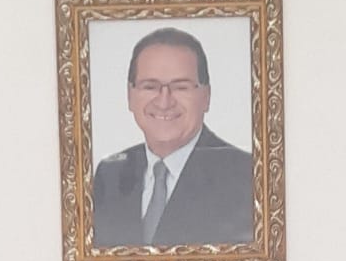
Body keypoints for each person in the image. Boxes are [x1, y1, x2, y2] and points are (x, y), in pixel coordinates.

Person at [92, 26, 254, 249]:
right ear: (130, 96)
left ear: (206, 97)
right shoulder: (110, 175)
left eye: (181, 87)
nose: (164, 101)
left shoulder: (246, 177)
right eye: (150, 86)